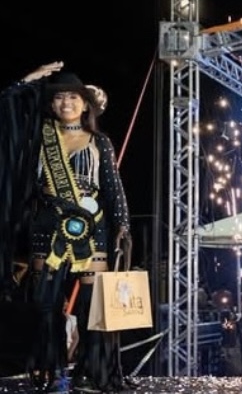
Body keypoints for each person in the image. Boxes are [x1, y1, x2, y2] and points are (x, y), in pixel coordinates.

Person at [0, 62, 134, 392]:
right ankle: (50, 371)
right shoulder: (38, 138)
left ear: (85, 104)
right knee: (45, 306)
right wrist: (31, 78)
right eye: (59, 97)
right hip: (48, 225)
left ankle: (92, 373)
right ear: (51, 103)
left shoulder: (99, 142)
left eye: (73, 97)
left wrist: (122, 225)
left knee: (94, 306)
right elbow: (7, 103)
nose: (66, 103)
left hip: (94, 228)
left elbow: (113, 187)